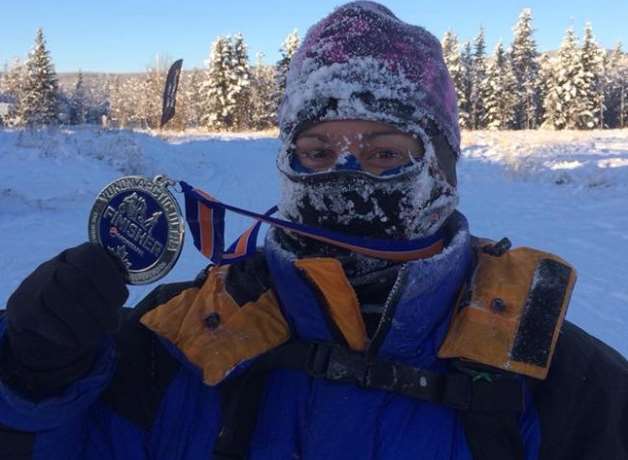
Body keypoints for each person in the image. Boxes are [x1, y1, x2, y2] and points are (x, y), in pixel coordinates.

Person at [1, 2, 626, 459]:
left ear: (442, 168)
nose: (347, 175)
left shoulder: (563, 379)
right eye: (318, 152)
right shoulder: (178, 338)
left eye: (385, 153)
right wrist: (34, 375)